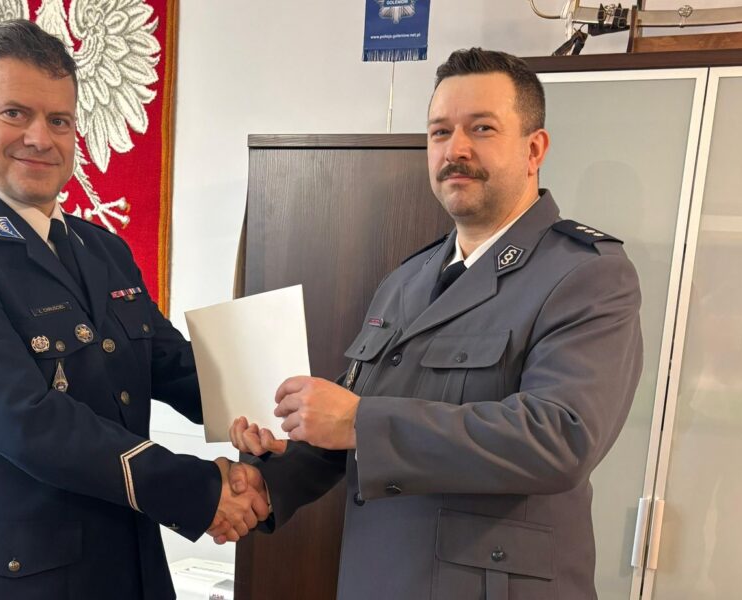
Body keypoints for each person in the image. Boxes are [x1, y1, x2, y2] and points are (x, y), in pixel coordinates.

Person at [228, 49, 643, 600]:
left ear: (534, 149)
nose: (456, 149)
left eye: (482, 128)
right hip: (377, 579)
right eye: (440, 132)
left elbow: (558, 438)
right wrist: (268, 480)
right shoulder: (407, 279)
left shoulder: (586, 274)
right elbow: (353, 422)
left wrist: (358, 423)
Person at [0, 20, 265, 600]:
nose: (41, 138)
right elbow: (29, 422)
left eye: (59, 120)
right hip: (17, 580)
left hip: (129, 564)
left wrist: (277, 405)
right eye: (14, 113)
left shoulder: (101, 248)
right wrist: (199, 490)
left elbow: (169, 364)